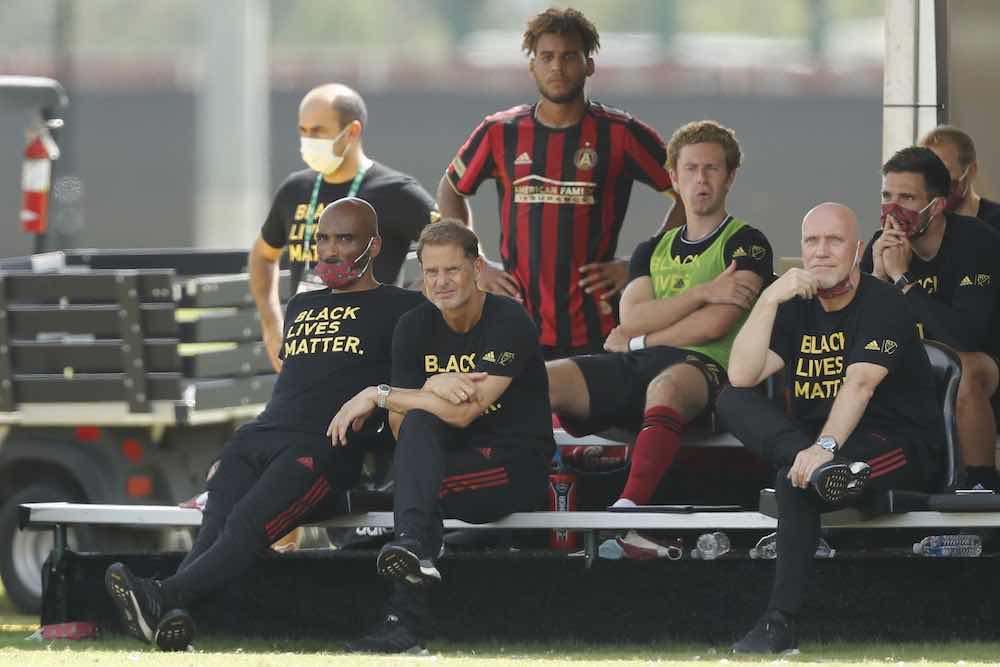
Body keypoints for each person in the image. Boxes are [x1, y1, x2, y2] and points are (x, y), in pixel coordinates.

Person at [104, 198, 425, 651]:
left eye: (345, 239)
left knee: (246, 526)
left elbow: (410, 389)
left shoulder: (405, 308)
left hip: (322, 448)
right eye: (324, 239)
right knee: (217, 522)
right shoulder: (301, 304)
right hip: (260, 434)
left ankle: (161, 596)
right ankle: (166, 615)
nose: (332, 251)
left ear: (373, 245)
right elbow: (296, 385)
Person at [718, 202, 943, 654]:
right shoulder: (795, 305)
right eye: (811, 241)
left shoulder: (883, 306)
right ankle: (816, 470)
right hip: (826, 447)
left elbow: (859, 384)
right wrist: (768, 298)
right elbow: (742, 375)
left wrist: (822, 447)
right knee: (730, 398)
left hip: (897, 444)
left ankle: (778, 624)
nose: (821, 251)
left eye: (834, 240)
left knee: (795, 482)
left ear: (857, 249)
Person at [546, 120, 772, 556]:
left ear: (731, 175)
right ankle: (506, 512)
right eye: (690, 169)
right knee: (542, 378)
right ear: (673, 176)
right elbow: (632, 316)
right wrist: (704, 292)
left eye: (712, 168)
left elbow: (714, 327)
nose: (701, 179)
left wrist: (639, 340)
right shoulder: (652, 248)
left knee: (666, 384)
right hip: (641, 363)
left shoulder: (748, 243)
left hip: (710, 371)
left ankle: (628, 513)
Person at [328, 220, 553, 654]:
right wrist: (433, 387)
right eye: (431, 272)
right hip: (443, 464)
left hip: (514, 468)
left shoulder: (508, 319)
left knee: (415, 492)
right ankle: (411, 555)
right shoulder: (413, 326)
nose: (441, 282)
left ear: (476, 267)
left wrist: (382, 394)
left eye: (451, 270)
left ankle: (403, 619)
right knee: (417, 432)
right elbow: (399, 428)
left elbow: (467, 410)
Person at [437, 7, 685, 359]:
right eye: (547, 57)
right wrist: (474, 262)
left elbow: (688, 195)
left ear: (589, 64)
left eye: (569, 56)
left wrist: (640, 264)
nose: (557, 67)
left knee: (586, 411)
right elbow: (451, 188)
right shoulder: (500, 132)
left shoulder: (620, 133)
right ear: (532, 65)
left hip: (596, 323)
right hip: (515, 317)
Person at [251, 82, 438, 371]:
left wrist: (409, 305)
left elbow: (454, 245)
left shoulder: (395, 191)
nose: (307, 140)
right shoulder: (295, 189)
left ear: (351, 132)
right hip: (304, 357)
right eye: (303, 131)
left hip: (370, 362)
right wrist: (271, 325)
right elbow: (263, 255)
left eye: (318, 132)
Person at [861, 146, 1000, 490]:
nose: (893, 208)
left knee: (960, 367)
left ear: (935, 205)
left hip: (984, 365)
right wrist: (878, 279)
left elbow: (966, 335)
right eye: (887, 195)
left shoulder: (975, 240)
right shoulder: (881, 246)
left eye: (906, 197)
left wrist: (904, 282)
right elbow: (860, 336)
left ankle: (980, 487)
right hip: (911, 364)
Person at [919, 125, 1000, 229]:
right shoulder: (922, 226)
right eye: (928, 171)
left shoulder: (995, 222)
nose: (934, 179)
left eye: (943, 170)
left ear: (971, 170)